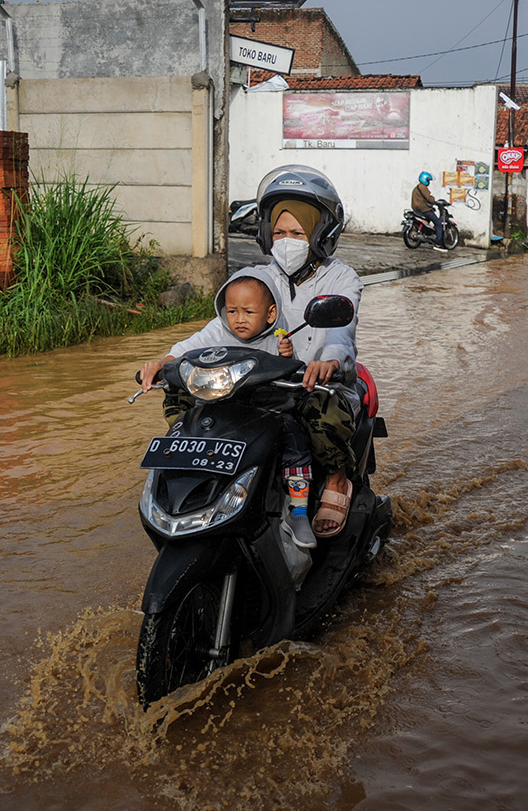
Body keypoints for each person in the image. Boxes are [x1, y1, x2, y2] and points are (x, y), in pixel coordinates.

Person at [140, 164, 363, 539]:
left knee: (322, 413)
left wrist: (330, 361)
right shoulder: (258, 279)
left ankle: (338, 481)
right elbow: (215, 331)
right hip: (258, 388)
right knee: (186, 397)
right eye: (278, 232)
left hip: (318, 386)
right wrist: (166, 360)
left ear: (321, 232)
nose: (286, 240)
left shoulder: (342, 278)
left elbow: (342, 330)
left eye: (297, 232)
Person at [139, 270, 319, 547]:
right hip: (223, 411)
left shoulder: (281, 335)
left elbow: (298, 368)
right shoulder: (217, 329)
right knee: (184, 434)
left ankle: (298, 512)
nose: (239, 319)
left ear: (271, 314)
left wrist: (288, 356)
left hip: (270, 413)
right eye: (232, 310)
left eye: (248, 311)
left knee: (295, 443)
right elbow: (184, 349)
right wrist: (160, 365)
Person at [411, 171, 448, 252]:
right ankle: (438, 244)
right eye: (428, 180)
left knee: (429, 220)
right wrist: (434, 201)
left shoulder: (417, 187)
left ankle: (428, 234)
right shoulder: (423, 188)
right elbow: (429, 198)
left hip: (417, 209)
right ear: (424, 179)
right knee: (438, 224)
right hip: (424, 209)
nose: (429, 182)